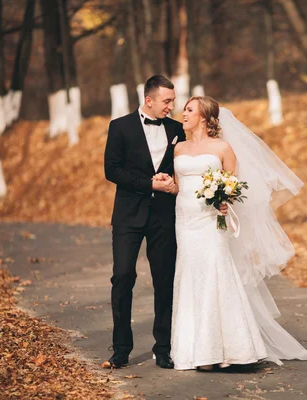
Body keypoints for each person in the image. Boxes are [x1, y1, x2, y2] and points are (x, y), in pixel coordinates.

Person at [160, 96, 307, 371]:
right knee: (190, 275)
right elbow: (179, 185)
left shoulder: (223, 147)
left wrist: (224, 200)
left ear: (204, 117)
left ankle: (226, 350)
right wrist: (167, 185)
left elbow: (232, 186)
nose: (182, 114)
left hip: (212, 221)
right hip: (185, 221)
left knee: (215, 272)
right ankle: (196, 349)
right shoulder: (178, 148)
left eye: (188, 110)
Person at [103, 75, 185, 369]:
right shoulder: (120, 127)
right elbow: (112, 170)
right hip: (128, 215)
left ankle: (163, 347)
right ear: (148, 100)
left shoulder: (178, 129)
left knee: (165, 280)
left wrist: (172, 182)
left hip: (164, 216)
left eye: (173, 101)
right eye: (167, 101)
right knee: (123, 277)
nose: (171, 106)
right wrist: (150, 184)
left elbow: (185, 166)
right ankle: (121, 348)